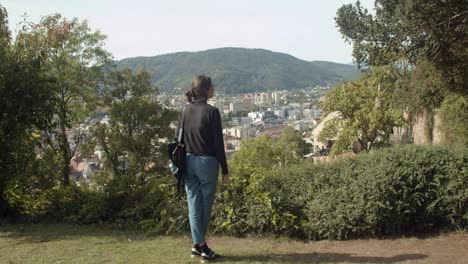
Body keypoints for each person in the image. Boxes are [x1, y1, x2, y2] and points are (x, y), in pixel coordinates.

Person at [176, 75, 229, 262]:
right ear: (206, 89)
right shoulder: (212, 111)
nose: (214, 89)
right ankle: (202, 246)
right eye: (212, 87)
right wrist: (225, 169)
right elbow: (218, 144)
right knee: (205, 207)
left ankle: (196, 246)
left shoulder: (184, 111)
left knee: (193, 205)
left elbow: (178, 139)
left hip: (188, 161)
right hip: (207, 163)